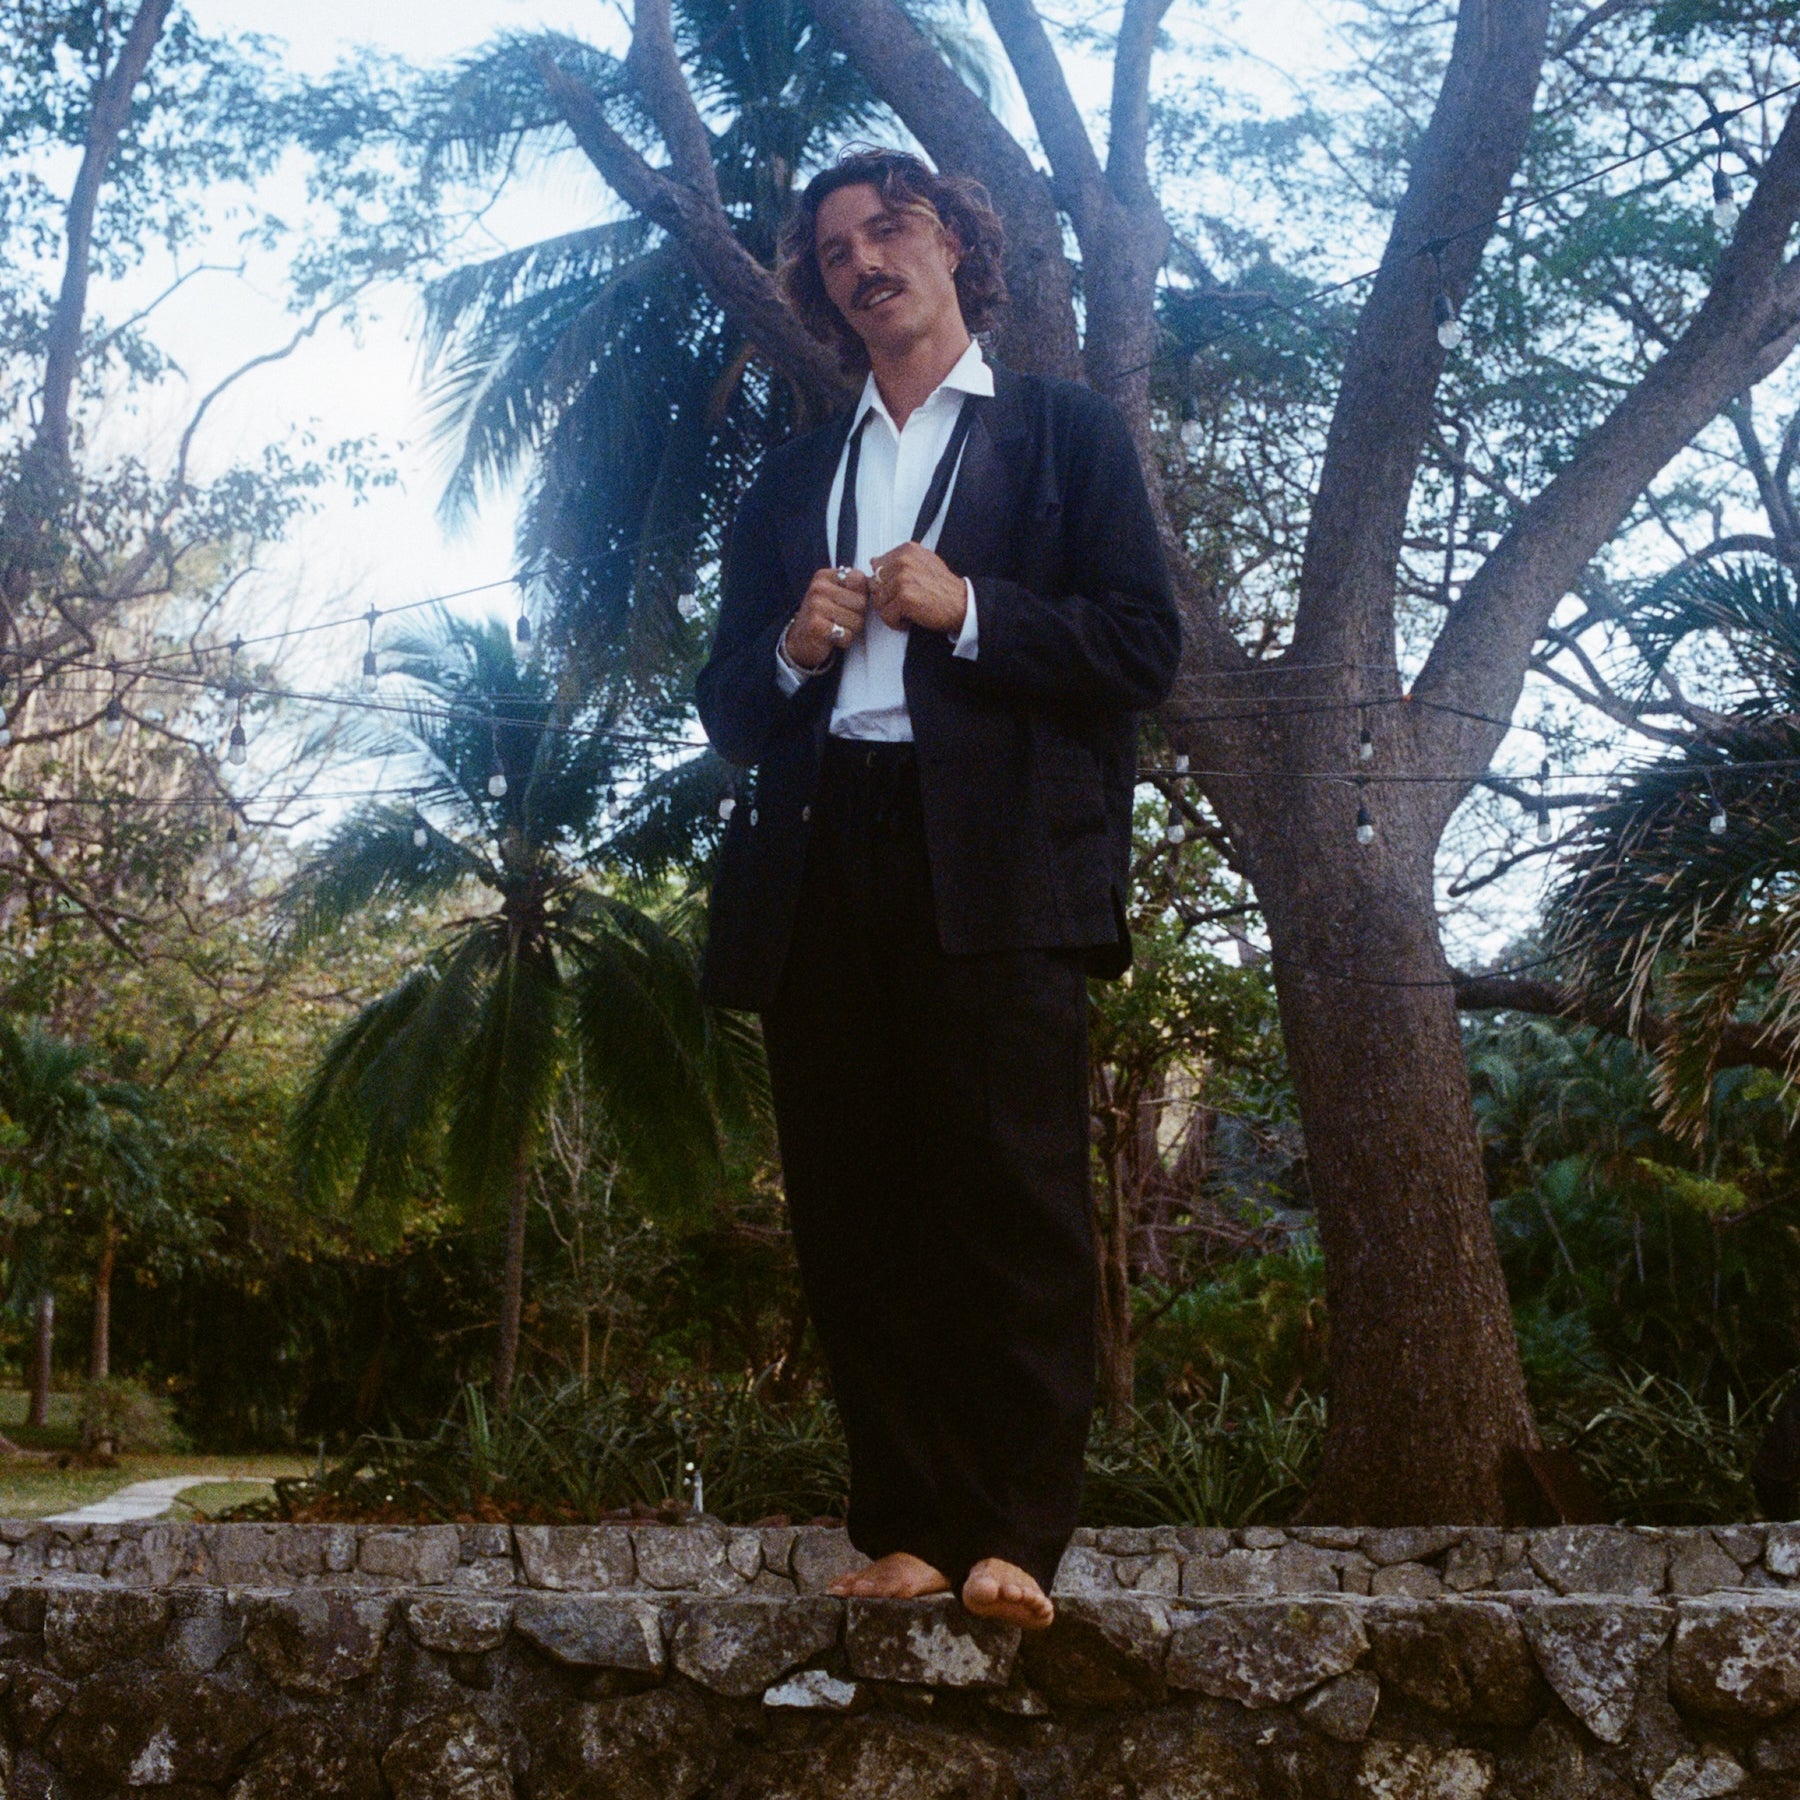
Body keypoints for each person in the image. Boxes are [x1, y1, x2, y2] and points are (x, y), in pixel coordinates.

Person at [695, 147, 1180, 1630]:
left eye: (890, 228)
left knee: (1012, 1201)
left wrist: (972, 610)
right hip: (824, 850)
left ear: (959, 243)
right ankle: (904, 1523)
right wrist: (790, 648)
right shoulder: (792, 478)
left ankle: (1016, 1536)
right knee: (858, 1204)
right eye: (834, 249)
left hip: (1000, 858)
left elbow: (1140, 650)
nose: (862, 261)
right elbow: (725, 706)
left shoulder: (1063, 435)